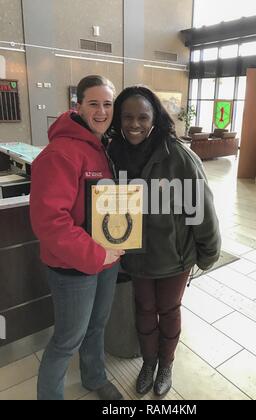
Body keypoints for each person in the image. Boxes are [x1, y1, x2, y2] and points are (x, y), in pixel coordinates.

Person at [108, 86, 221, 397]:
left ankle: (166, 364)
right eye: (127, 117)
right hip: (136, 256)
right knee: (144, 309)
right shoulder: (112, 153)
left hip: (174, 257)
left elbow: (202, 210)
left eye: (142, 117)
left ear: (154, 118)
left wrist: (208, 253)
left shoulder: (180, 157)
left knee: (168, 309)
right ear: (118, 119)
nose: (134, 124)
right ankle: (148, 362)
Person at [30, 75, 125, 400]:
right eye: (94, 103)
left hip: (106, 260)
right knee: (67, 340)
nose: (101, 111)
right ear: (78, 106)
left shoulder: (103, 148)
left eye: (108, 104)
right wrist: (97, 254)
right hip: (74, 268)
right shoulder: (60, 153)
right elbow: (49, 223)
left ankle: (94, 377)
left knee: (97, 326)